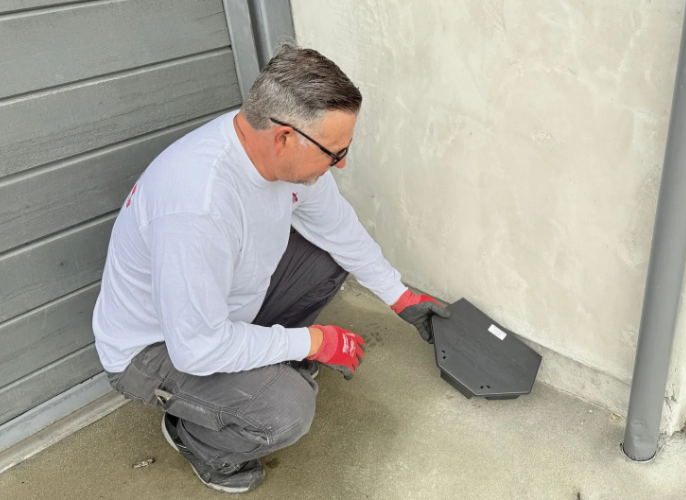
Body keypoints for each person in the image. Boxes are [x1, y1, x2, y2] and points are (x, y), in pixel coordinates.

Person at [91, 43, 449, 494]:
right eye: (334, 152)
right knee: (286, 411)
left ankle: (261, 364)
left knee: (326, 258)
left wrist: (400, 296)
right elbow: (196, 348)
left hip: (216, 309)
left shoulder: (279, 156)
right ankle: (199, 440)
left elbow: (338, 229)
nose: (341, 163)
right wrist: (313, 340)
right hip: (154, 350)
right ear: (283, 138)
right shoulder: (198, 207)